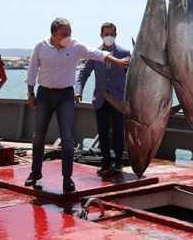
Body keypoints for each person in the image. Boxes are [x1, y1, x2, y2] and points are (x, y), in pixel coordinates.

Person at [24, 18, 130, 192]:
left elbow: (97, 54)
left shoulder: (75, 46)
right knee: (39, 135)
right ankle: (35, 172)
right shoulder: (40, 46)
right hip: (44, 94)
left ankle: (67, 178)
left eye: (69, 33)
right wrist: (30, 93)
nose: (68, 37)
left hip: (66, 95)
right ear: (54, 34)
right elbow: (32, 70)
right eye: (64, 34)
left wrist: (118, 62)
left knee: (67, 137)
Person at [75, 22, 131, 175]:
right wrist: (78, 91)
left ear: (116, 35)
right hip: (101, 98)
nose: (109, 37)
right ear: (101, 35)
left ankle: (118, 162)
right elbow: (83, 73)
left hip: (119, 99)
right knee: (102, 131)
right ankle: (105, 162)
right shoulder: (94, 53)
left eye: (111, 34)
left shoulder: (125, 52)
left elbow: (133, 77)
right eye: (106, 34)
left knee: (119, 131)